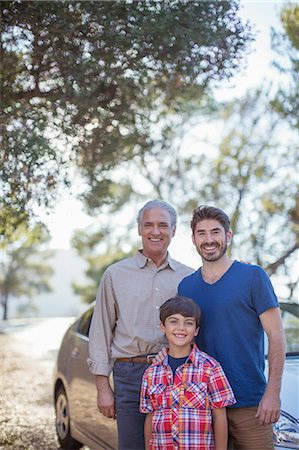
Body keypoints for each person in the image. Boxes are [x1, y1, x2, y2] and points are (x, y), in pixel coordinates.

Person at [87, 200, 194, 450]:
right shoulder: (115, 275)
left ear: (174, 230)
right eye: (149, 225)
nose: (155, 231)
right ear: (139, 229)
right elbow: (100, 330)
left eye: (163, 225)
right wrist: (103, 387)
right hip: (129, 374)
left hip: (177, 373)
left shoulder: (188, 277)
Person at [177, 205, 286, 450]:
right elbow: (183, 343)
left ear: (228, 235)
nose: (209, 239)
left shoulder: (253, 277)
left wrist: (272, 393)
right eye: (201, 233)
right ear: (193, 239)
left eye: (215, 232)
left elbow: (277, 337)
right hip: (202, 405)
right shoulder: (186, 287)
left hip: (250, 404)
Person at [140, 295, 236, 450]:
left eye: (189, 323)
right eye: (174, 321)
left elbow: (219, 416)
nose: (181, 328)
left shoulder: (210, 368)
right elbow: (150, 416)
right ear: (162, 326)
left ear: (196, 330)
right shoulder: (151, 373)